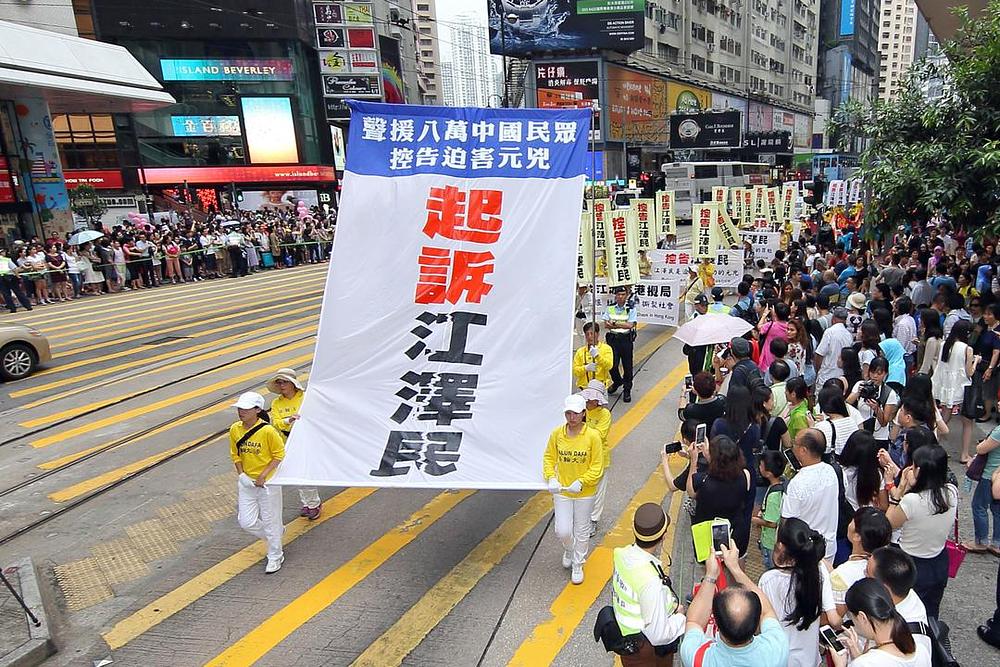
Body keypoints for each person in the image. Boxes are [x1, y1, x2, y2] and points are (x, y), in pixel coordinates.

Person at [679, 540, 790, 667]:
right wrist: (736, 570)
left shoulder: (698, 657)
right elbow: (767, 612)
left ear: (717, 625)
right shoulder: (777, 649)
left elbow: (694, 621)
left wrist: (710, 575)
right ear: (756, 626)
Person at [608, 503, 687, 666]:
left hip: (628, 641)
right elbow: (658, 635)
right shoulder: (650, 581)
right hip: (646, 650)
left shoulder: (621, 554)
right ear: (664, 535)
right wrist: (681, 618)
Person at [886, 444, 958, 619]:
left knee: (905, 614)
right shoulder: (951, 491)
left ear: (919, 471)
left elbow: (888, 523)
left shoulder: (912, 500)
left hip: (911, 563)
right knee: (930, 612)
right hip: (939, 560)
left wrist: (900, 488)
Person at [758, 518, 840, 667]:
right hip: (809, 658)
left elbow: (762, 619)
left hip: (779, 658)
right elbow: (831, 617)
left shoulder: (769, 580)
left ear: (781, 547)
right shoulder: (819, 573)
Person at [543, 394, 604, 585]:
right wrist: (551, 477)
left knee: (582, 529)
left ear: (584, 413)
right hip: (563, 490)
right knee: (562, 530)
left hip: (584, 493)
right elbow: (548, 458)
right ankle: (569, 549)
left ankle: (578, 563)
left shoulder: (592, 436)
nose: (572, 417)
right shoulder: (556, 434)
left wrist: (582, 481)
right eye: (568, 413)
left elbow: (597, 466)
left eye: (576, 413)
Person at [229, 391, 286, 574]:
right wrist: (241, 475)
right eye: (240, 408)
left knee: (270, 521)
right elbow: (235, 454)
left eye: (246, 408)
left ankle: (275, 556)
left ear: (257, 409)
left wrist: (263, 475)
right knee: (246, 522)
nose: (241, 412)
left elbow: (279, 455)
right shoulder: (235, 429)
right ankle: (276, 534)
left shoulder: (268, 431)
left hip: (268, 484)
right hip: (247, 483)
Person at [830, 578, 930, 667]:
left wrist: (841, 664)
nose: (854, 625)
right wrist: (858, 655)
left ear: (862, 617)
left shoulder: (865, 663)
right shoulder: (921, 650)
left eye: (853, 619)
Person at [265, 368, 321, 520]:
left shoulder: (306, 398)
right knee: (296, 472)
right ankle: (307, 503)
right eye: (279, 382)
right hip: (286, 441)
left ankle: (313, 504)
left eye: (285, 382)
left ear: (293, 384)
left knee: (304, 472)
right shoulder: (276, 403)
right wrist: (289, 420)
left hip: (305, 439)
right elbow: (276, 423)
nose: (282, 385)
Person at [686, 435, 752, 557]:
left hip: (708, 534)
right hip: (735, 531)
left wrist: (694, 459)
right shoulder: (745, 475)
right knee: (735, 563)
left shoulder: (702, 481)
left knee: (710, 567)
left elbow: (690, 491)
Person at [782, 428, 840, 561]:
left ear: (803, 450)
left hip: (803, 549)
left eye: (795, 443)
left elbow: (787, 521)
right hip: (829, 546)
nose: (792, 446)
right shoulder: (831, 471)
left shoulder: (797, 483)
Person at [867, 546, 933, 659]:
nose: (864, 575)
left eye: (867, 573)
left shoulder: (901, 640)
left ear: (884, 588)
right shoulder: (905, 592)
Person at [930, 319, 978, 462]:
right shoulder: (967, 349)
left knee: (943, 419)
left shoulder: (945, 344)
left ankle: (932, 446)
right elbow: (969, 372)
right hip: (961, 389)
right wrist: (976, 361)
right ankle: (964, 454)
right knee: (968, 422)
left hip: (945, 387)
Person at [831, 507, 893, 615]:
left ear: (857, 536)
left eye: (852, 521)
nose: (849, 524)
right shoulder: (889, 564)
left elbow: (836, 618)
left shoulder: (841, 575)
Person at [848, 358, 900, 449]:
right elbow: (846, 404)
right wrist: (858, 393)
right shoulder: (860, 385)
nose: (875, 376)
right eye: (872, 372)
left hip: (879, 437)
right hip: (860, 433)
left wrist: (876, 408)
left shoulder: (889, 393)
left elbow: (884, 422)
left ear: (886, 373)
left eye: (879, 373)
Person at [581, 380, 612, 533]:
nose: (588, 401)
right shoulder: (581, 411)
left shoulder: (604, 414)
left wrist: (582, 432)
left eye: (591, 398)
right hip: (582, 457)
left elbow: (600, 435)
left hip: (600, 458)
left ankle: (593, 519)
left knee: (598, 491)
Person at [965, 423, 1000, 555]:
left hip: (990, 474)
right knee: (997, 510)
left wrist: (981, 444)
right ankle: (997, 543)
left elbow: (981, 449)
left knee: (979, 506)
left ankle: (981, 542)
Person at [753, 450, 786, 570]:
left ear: (768, 473)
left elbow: (772, 522)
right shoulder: (781, 484)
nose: (759, 467)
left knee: (770, 567)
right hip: (773, 540)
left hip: (770, 542)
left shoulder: (773, 496)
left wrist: (755, 520)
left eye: (761, 465)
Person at [840, 430, 889, 511]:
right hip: (867, 518)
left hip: (847, 517)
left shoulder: (841, 472)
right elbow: (884, 505)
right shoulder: (876, 474)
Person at [604, 286, 637, 402]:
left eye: (623, 294)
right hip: (613, 339)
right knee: (612, 365)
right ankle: (617, 381)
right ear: (615, 295)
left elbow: (630, 325)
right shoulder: (611, 308)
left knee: (627, 366)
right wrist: (619, 324)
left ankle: (627, 389)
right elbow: (606, 324)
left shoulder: (631, 308)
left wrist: (615, 323)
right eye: (618, 294)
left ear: (626, 295)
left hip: (626, 340)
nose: (620, 297)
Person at [814, 384, 861, 457]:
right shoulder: (851, 421)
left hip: (832, 466)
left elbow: (813, 448)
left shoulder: (822, 426)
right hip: (849, 463)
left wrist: (812, 426)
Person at [815, 307, 855, 388]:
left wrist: (818, 370)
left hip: (826, 375)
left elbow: (819, 354)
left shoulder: (829, 332)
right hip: (841, 377)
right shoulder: (848, 335)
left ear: (833, 318)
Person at [573, 321, 614, 390]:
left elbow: (609, 366)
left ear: (598, 334)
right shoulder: (580, 352)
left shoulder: (606, 348)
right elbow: (575, 371)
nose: (590, 337)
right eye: (587, 334)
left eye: (592, 334)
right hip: (583, 389)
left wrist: (598, 356)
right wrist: (585, 368)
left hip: (600, 389)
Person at [0, 248, 32, 313]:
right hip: (10, 276)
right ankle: (28, 306)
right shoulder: (6, 259)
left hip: (1, 278)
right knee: (18, 291)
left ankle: (12, 308)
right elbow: (14, 269)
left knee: (6, 294)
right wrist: (18, 276)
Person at [784, 377, 810, 442]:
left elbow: (801, 439)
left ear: (793, 394)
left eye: (786, 390)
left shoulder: (798, 416)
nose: (785, 392)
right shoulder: (805, 402)